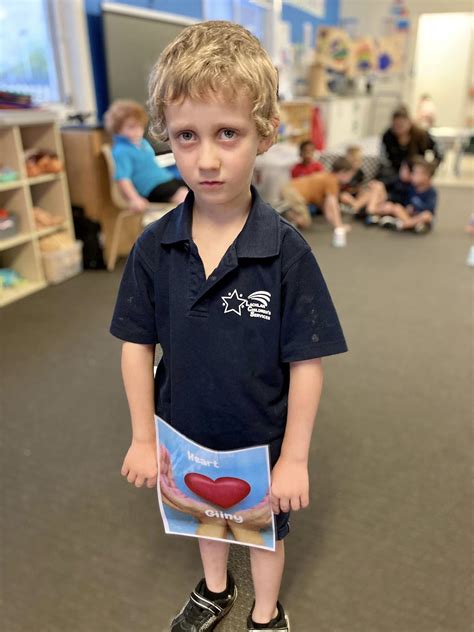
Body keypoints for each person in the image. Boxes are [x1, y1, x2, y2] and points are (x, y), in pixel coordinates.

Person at [110, 20, 347, 632]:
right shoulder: (154, 248)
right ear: (166, 135)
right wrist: (142, 437)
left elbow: (306, 362)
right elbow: (137, 345)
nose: (206, 158)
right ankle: (214, 590)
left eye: (228, 133)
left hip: (260, 444)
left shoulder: (286, 251)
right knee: (202, 523)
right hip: (183, 434)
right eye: (186, 135)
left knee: (262, 537)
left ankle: (266, 614)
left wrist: (294, 457)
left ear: (265, 134)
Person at [104, 99, 188, 213]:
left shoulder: (143, 142)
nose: (138, 131)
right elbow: (123, 178)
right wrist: (135, 199)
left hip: (166, 179)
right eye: (131, 127)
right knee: (184, 197)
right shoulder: (121, 151)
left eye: (140, 127)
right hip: (151, 187)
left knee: (194, 190)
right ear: (118, 129)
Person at [280, 157, 354, 244]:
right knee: (305, 222)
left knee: (302, 218)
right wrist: (339, 226)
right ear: (342, 172)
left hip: (289, 188)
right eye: (350, 175)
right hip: (294, 193)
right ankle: (283, 219)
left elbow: (326, 208)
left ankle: (287, 216)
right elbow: (332, 205)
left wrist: (333, 222)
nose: (350, 178)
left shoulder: (327, 176)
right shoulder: (333, 181)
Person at [378, 106, 442, 183]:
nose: (398, 128)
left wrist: (430, 169)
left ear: (409, 123)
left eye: (401, 125)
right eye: (395, 125)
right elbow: (384, 159)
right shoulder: (388, 136)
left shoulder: (421, 135)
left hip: (417, 173)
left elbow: (438, 150)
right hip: (395, 173)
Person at [377, 157, 437, 232]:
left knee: (427, 215)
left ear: (426, 177)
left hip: (420, 215)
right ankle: (413, 225)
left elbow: (430, 209)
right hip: (408, 215)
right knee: (397, 208)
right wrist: (407, 207)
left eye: (416, 174)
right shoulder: (411, 188)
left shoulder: (431, 192)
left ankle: (403, 224)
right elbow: (404, 201)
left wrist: (415, 208)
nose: (413, 176)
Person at [339, 145, 366, 212]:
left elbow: (360, 187)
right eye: (353, 161)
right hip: (346, 194)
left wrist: (361, 193)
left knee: (366, 193)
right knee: (344, 196)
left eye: (357, 161)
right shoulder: (344, 171)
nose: (355, 163)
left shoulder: (360, 172)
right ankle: (357, 206)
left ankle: (356, 206)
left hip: (356, 195)